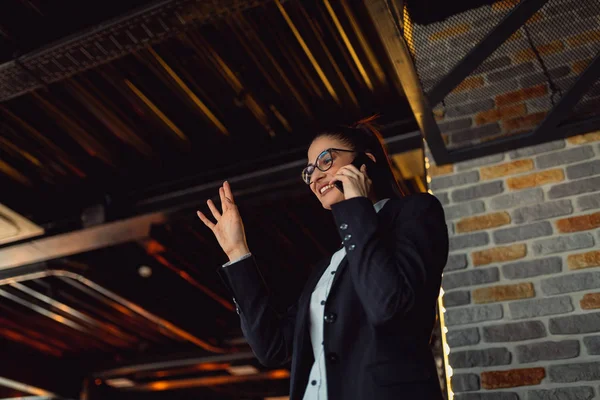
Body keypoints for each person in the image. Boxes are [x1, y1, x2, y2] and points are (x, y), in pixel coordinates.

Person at [197, 117, 449, 400]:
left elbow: (388, 306)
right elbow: (272, 349)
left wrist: (357, 205)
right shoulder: (325, 269)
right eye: (309, 171)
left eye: (326, 160)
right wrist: (237, 251)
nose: (315, 177)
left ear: (366, 161)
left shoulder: (416, 212)